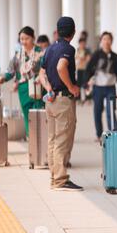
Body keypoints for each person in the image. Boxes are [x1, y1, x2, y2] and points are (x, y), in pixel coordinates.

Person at [39, 16, 83, 192]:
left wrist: (48, 86)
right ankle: (60, 179)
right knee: (62, 140)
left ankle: (54, 175)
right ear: (72, 32)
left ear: (57, 31)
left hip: (51, 99)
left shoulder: (49, 49)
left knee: (52, 139)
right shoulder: (68, 49)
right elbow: (60, 67)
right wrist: (71, 86)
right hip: (63, 100)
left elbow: (42, 74)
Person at [0, 27, 45, 137]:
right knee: (27, 114)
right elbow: (10, 72)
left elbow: (46, 69)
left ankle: (41, 139)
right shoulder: (18, 55)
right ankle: (31, 140)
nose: (24, 41)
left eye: (27, 38)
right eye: (22, 39)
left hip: (38, 87)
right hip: (24, 89)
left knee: (39, 113)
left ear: (33, 38)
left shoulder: (41, 53)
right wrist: (2, 79)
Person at [86, 32, 117, 143]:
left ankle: (114, 133)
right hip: (98, 88)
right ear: (101, 41)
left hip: (110, 88)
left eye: (108, 39)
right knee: (97, 111)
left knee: (110, 111)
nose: (106, 41)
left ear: (111, 41)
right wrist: (86, 83)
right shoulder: (96, 54)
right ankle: (99, 134)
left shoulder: (115, 57)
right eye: (104, 39)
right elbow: (88, 69)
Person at [75, 37, 92, 104]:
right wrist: (80, 58)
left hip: (85, 69)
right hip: (79, 69)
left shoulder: (87, 51)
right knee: (78, 84)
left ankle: (88, 98)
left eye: (83, 43)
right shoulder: (77, 50)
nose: (82, 44)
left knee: (86, 84)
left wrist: (82, 58)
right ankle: (78, 99)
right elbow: (76, 58)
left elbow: (88, 59)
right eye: (81, 43)